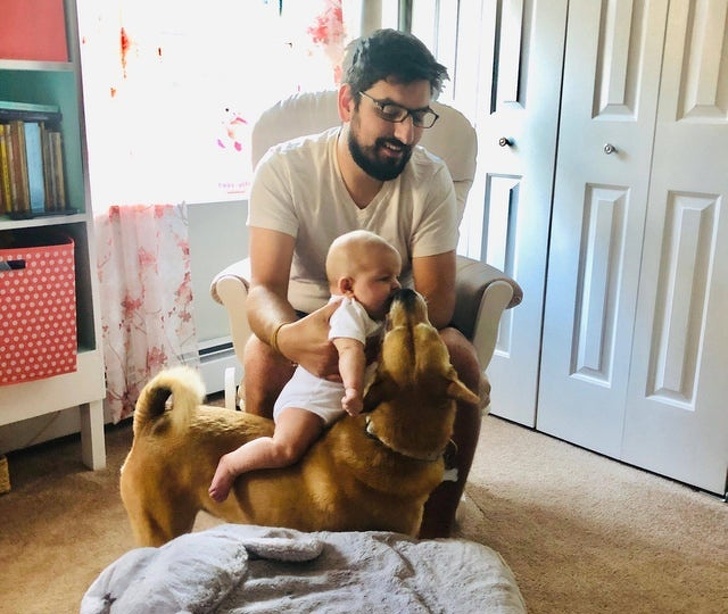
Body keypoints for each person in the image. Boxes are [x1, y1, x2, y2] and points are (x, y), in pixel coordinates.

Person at [242, 28, 483, 537]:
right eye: (390, 111)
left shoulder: (430, 178)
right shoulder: (285, 168)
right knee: (262, 357)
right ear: (348, 102)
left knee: (459, 359)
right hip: (308, 317)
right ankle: (271, 520)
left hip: (393, 321)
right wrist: (289, 337)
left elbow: (437, 299)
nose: (406, 134)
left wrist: (372, 344)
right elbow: (262, 288)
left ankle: (436, 530)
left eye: (418, 116)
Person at [209, 230, 402, 503]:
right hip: (310, 402)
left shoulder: (376, 312)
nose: (396, 285)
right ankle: (231, 464)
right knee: (285, 449)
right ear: (347, 287)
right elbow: (350, 351)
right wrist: (353, 390)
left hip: (338, 404)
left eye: (396, 277)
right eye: (384, 278)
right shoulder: (347, 312)